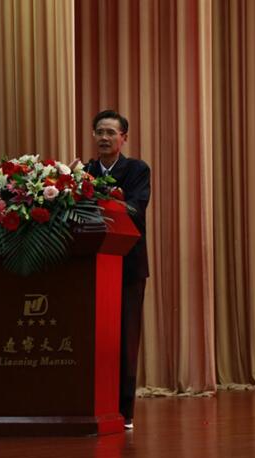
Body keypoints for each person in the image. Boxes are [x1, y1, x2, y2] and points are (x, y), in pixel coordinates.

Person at [85, 110, 150, 430]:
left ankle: (124, 411)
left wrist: (104, 200)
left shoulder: (137, 170)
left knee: (125, 340)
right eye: (99, 131)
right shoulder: (83, 172)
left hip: (128, 266)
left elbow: (136, 209)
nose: (104, 137)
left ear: (124, 138)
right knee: (91, 339)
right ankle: (90, 405)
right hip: (89, 264)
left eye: (111, 132)